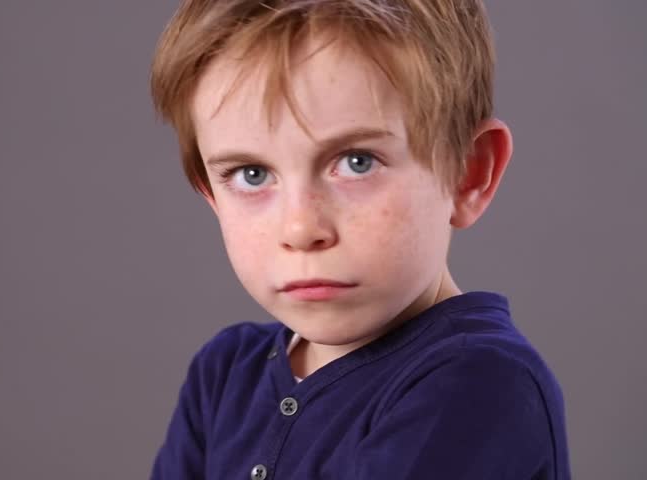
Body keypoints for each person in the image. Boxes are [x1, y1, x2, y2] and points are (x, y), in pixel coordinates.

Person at [148, 1, 570, 478]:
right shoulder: (224, 375)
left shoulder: (480, 383)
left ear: (467, 174)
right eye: (251, 174)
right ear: (211, 195)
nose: (301, 229)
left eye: (356, 162)